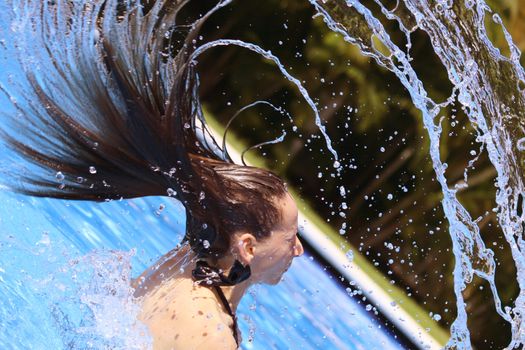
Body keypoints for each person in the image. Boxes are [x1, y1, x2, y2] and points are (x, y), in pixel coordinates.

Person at [0, 0, 303, 348]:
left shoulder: (185, 263)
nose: (297, 250)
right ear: (247, 247)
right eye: (290, 236)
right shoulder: (211, 334)